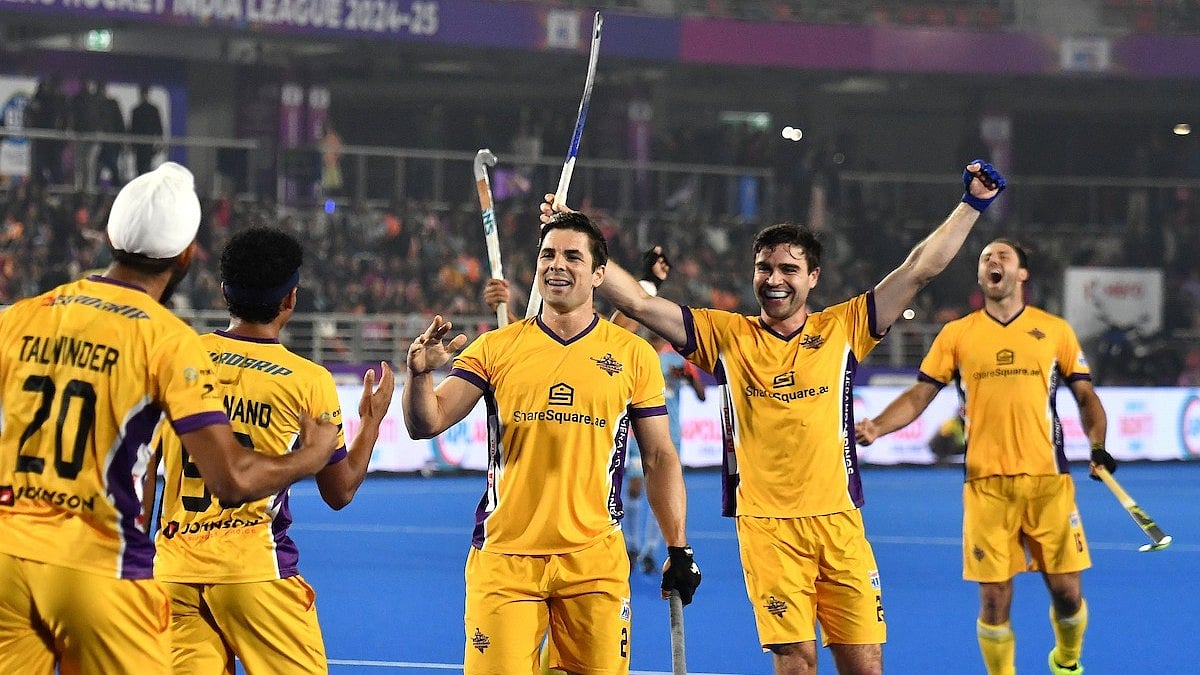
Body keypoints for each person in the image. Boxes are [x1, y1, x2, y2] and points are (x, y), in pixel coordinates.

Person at [545, 160, 1007, 675]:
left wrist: (973, 205)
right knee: (796, 660)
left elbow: (920, 268)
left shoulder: (846, 327)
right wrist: (578, 235)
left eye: (789, 270)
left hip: (839, 522)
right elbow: (634, 300)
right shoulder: (726, 336)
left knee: (866, 664)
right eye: (765, 268)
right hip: (767, 529)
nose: (775, 280)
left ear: (813, 277)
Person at [0, 162, 339, 674]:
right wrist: (311, 455)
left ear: (111, 236)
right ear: (185, 255)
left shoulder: (21, 315)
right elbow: (231, 479)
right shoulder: (167, 341)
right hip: (95, 564)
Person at [403, 211, 701, 675]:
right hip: (504, 560)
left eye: (572, 256)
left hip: (594, 562)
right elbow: (427, 422)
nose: (556, 264)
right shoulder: (493, 348)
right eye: (547, 254)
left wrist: (679, 547)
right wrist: (419, 376)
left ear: (600, 274)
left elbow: (661, 457)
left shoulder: (633, 355)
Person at [854, 238, 1117, 675]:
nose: (993, 262)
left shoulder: (1055, 331)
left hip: (1049, 483)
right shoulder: (957, 334)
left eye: (1003, 257)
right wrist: (879, 426)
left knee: (1067, 595)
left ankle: (1067, 661)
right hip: (985, 486)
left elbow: (1086, 396)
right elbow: (922, 393)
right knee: (994, 600)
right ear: (981, 276)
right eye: (985, 259)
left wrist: (1098, 445)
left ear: (1022, 273)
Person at [148, 226, 396, 674]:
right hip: (254, 573)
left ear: (224, 291)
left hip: (173, 573)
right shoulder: (307, 380)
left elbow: (145, 469)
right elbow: (338, 492)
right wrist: (372, 423)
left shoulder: (177, 357)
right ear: (290, 300)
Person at [130, 84, 164, 177]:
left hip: (148, 143)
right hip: (140, 144)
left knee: (145, 167)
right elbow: (132, 128)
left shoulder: (148, 110)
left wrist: (159, 143)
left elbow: (159, 128)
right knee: (140, 168)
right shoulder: (137, 110)